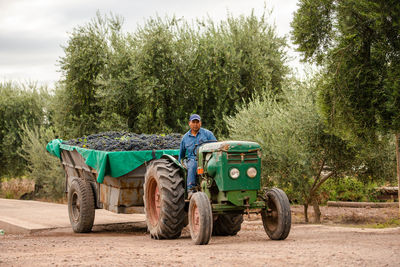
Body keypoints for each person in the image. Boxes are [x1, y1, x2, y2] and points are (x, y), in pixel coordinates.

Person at [179, 114, 216, 194]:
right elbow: (181, 154)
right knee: (193, 165)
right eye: (193, 122)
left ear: (200, 123)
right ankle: (191, 189)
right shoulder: (185, 138)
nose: (195, 124)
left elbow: (215, 146)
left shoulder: (208, 134)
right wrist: (180, 165)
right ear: (189, 123)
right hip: (193, 158)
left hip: (207, 158)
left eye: (197, 122)